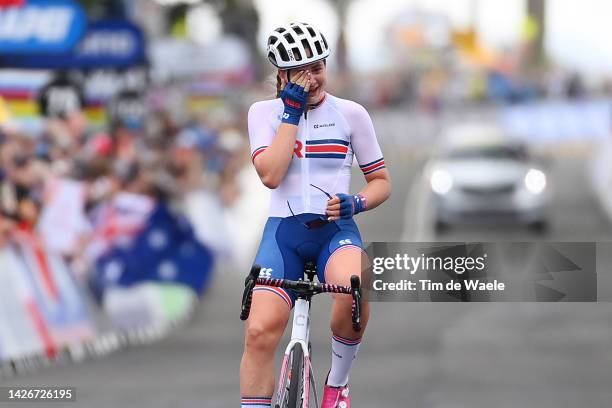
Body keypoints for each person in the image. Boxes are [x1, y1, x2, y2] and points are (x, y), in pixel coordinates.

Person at [240, 22, 391, 408]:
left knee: (356, 284)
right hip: (283, 235)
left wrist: (356, 202)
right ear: (282, 75)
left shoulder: (351, 114)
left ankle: (337, 385)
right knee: (259, 332)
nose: (312, 78)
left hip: (334, 231)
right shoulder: (263, 113)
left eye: (317, 67)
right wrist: (290, 113)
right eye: (300, 71)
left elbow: (381, 181)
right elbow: (271, 175)